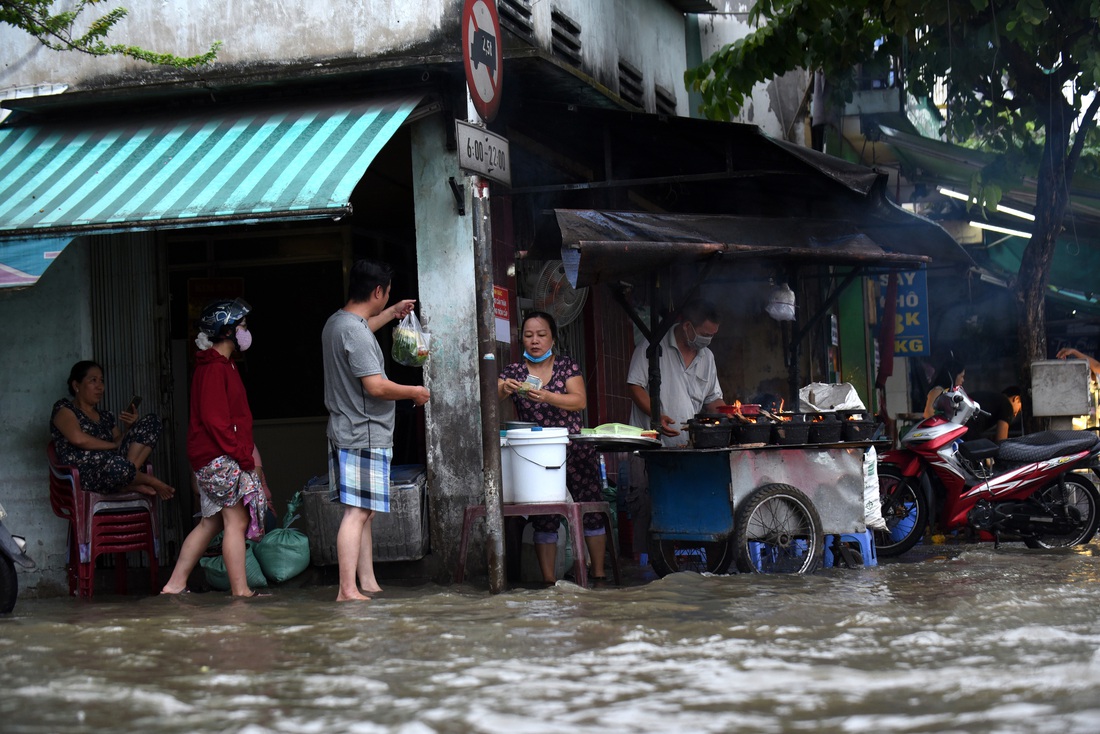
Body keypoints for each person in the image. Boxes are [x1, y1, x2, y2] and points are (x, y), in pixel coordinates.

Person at [323, 260, 430, 602]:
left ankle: (366, 582)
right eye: (388, 294)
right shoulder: (354, 332)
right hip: (363, 431)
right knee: (358, 512)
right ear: (377, 292)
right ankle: (347, 589)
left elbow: (365, 325)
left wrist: (393, 312)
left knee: (361, 509)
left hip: (345, 428)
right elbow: (376, 387)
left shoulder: (337, 323)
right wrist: (415, 392)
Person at [161, 298, 268, 597]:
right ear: (227, 331)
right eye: (242, 326)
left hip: (217, 454)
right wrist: (243, 457)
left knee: (211, 523)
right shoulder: (214, 370)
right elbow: (216, 423)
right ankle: (240, 591)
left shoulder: (222, 365)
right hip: (219, 456)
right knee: (236, 520)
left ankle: (174, 584)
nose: (246, 332)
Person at [499, 310, 608, 584]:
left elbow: (579, 401)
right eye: (528, 335)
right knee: (544, 514)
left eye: (541, 335)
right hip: (536, 454)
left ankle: (598, 575)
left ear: (553, 338)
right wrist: (505, 387)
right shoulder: (514, 372)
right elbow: (493, 391)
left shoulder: (567, 367)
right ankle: (549, 582)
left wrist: (548, 396)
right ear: (521, 339)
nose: (534, 341)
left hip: (573, 447)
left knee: (590, 508)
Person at [623, 298, 726, 557]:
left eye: (712, 336)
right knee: (646, 506)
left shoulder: (708, 357)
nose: (707, 340)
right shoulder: (651, 346)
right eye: (704, 334)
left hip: (684, 448)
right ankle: (643, 566)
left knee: (681, 505)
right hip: (647, 445)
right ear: (687, 326)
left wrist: (730, 413)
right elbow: (635, 386)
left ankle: (678, 562)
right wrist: (658, 415)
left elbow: (713, 399)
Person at [50, 361, 174, 500]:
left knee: (152, 421)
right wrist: (114, 445)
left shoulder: (105, 416)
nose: (100, 387)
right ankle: (148, 480)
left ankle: (125, 480)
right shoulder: (64, 409)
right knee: (116, 465)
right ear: (76, 385)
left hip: (114, 468)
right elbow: (78, 439)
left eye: (101, 381)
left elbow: (119, 441)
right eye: (93, 380)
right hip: (86, 474)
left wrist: (129, 428)